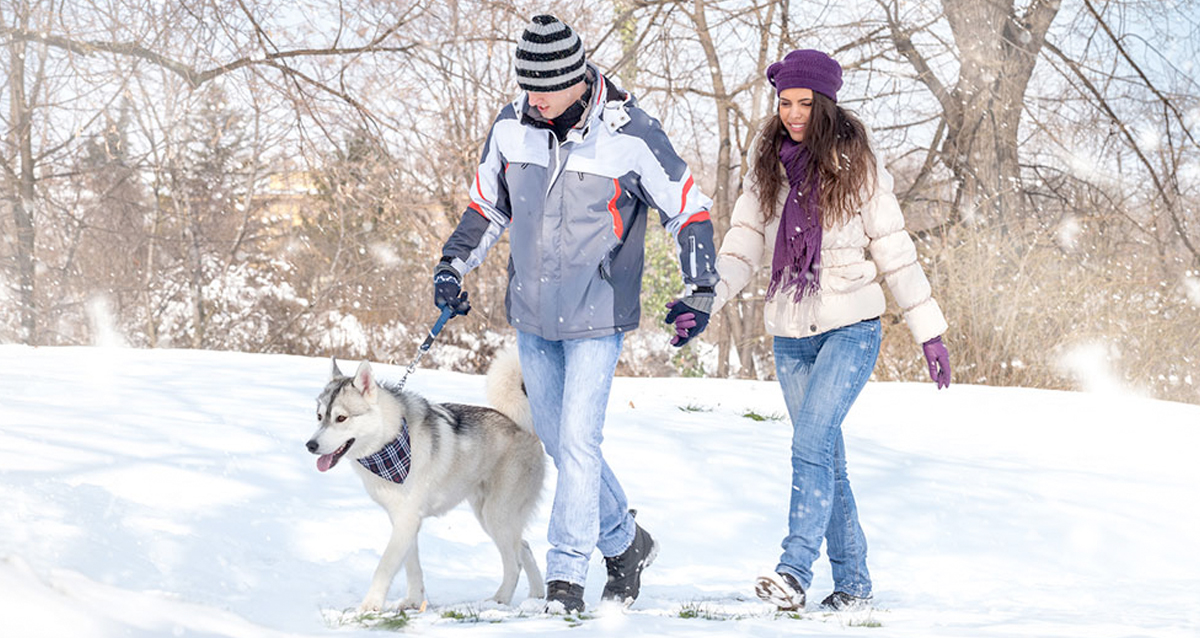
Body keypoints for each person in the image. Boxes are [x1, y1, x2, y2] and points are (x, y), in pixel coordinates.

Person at [433, 15, 719, 613]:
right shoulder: (511, 127)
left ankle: (566, 576)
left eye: (545, 86)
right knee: (563, 445)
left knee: (581, 443)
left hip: (598, 311)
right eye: (526, 84)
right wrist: (452, 267)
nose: (532, 97)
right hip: (533, 315)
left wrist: (700, 287)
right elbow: (488, 206)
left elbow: (687, 208)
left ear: (578, 78)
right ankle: (626, 542)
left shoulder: (630, 133)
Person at [710, 49, 951, 612]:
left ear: (826, 103)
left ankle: (794, 569)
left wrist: (928, 330)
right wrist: (707, 298)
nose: (793, 114)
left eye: (804, 103)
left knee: (811, 444)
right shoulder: (766, 163)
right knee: (826, 458)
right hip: (791, 332)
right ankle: (855, 585)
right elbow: (743, 243)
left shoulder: (857, 165)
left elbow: (895, 252)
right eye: (785, 102)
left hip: (851, 327)